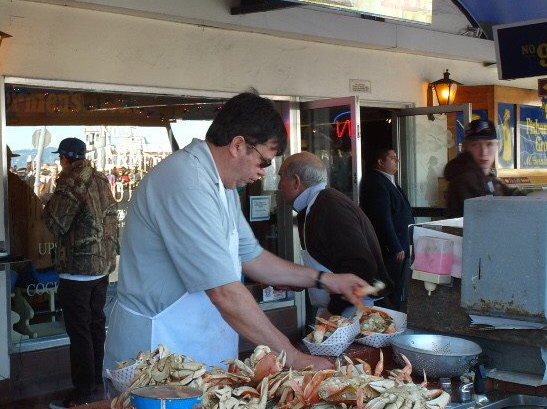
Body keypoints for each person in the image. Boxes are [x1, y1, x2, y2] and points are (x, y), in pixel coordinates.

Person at [105, 92, 369, 374]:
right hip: (157, 350)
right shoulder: (186, 181)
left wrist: (325, 280)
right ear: (238, 145)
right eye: (264, 163)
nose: (263, 174)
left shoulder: (223, 186)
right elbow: (223, 291)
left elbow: (252, 257)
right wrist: (292, 356)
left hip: (196, 350)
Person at [43, 137, 119, 409]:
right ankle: (97, 385)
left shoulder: (70, 181)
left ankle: (83, 392)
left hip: (77, 270)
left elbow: (56, 222)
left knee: (80, 332)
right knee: (96, 326)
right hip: (101, 268)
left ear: (64, 158)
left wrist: (48, 202)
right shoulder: (99, 179)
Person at [279, 152, 394, 316]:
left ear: (296, 181)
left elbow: (361, 266)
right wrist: (297, 282)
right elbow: (329, 261)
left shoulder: (329, 207)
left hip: (357, 311)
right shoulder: (316, 205)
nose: (278, 185)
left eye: (281, 177)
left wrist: (332, 311)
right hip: (343, 310)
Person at [444, 119, 547, 217]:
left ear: (497, 146)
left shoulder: (487, 178)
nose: (483, 152)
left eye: (489, 144)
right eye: (475, 145)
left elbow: (523, 200)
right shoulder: (465, 179)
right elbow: (498, 215)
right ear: (465, 147)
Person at [359, 148, 413, 310]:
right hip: (389, 249)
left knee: (396, 288)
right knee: (388, 291)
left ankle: (393, 320)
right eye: (393, 158)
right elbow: (382, 218)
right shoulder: (375, 182)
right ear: (380, 162)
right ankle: (388, 323)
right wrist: (394, 245)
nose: (397, 161)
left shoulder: (389, 180)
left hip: (401, 244)